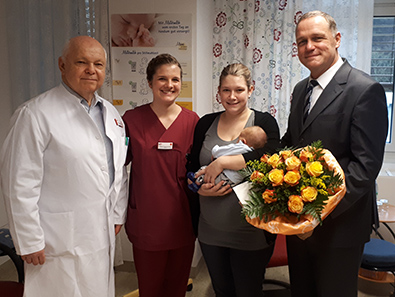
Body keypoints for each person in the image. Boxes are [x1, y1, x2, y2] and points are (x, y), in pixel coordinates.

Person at [0, 36, 128, 297]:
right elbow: (19, 182)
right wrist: (28, 239)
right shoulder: (35, 114)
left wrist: (117, 213)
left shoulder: (111, 114)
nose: (91, 70)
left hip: (100, 230)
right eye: (82, 62)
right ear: (62, 65)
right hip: (55, 238)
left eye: (98, 64)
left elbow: (119, 171)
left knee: (97, 289)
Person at [281, 11, 388, 297]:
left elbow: (364, 169)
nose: (309, 47)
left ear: (337, 39)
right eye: (302, 41)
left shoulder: (365, 90)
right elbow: (292, 143)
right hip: (298, 219)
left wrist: (314, 216)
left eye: (317, 38)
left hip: (340, 224)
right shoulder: (301, 89)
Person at [187, 63, 280, 297]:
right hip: (210, 229)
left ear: (250, 90)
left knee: (248, 291)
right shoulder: (205, 123)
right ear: (218, 92)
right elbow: (189, 169)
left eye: (239, 90)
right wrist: (198, 189)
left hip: (251, 231)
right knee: (222, 291)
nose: (232, 96)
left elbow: (271, 159)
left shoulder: (264, 123)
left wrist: (223, 162)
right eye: (226, 90)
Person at [122, 53, 199, 297]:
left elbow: (199, 168)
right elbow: (114, 166)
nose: (169, 85)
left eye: (175, 79)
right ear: (150, 82)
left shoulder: (193, 121)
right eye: (162, 79)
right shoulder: (131, 120)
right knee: (150, 288)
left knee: (177, 287)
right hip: (147, 221)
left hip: (181, 220)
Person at [188, 126, 268, 191]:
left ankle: (197, 181)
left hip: (225, 175)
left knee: (207, 172)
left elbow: (224, 151)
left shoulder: (241, 147)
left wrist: (215, 151)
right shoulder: (253, 153)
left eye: (238, 139)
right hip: (234, 181)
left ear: (243, 141)